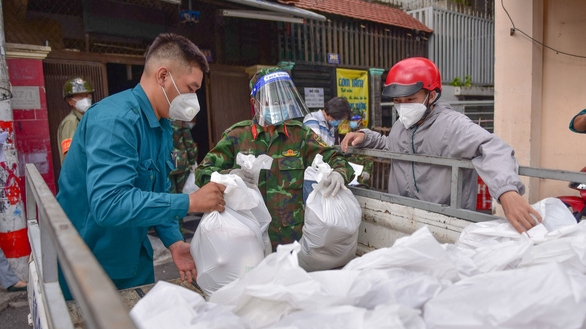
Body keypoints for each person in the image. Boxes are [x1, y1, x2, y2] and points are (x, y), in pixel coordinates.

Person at [56, 33, 226, 299]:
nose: (194, 99)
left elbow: (156, 189)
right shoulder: (115, 121)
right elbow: (109, 204)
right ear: (163, 76)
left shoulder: (161, 125)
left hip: (133, 257)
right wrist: (190, 202)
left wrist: (173, 241)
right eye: (191, 88)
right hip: (91, 267)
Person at [341, 57, 542, 234]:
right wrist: (365, 136)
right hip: (403, 219)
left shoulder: (453, 125)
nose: (403, 106)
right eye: (397, 100)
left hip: (445, 224)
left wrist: (507, 191)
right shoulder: (400, 125)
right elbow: (392, 147)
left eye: (411, 99)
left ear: (432, 95)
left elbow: (491, 147)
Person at [195, 67, 354, 250]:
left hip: (291, 239)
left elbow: (334, 157)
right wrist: (229, 175)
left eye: (282, 100)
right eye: (272, 101)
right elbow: (202, 173)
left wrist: (339, 173)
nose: (278, 106)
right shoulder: (237, 136)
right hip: (248, 238)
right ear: (255, 103)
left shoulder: (299, 135)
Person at [57, 77, 95, 164]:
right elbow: (70, 155)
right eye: (80, 96)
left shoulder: (84, 119)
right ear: (70, 101)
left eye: (87, 95)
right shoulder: (71, 122)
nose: (85, 99)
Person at [169, 120, 198, 194]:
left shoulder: (160, 118)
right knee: (184, 192)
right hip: (180, 159)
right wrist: (192, 161)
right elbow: (188, 142)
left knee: (171, 193)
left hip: (167, 159)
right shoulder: (179, 120)